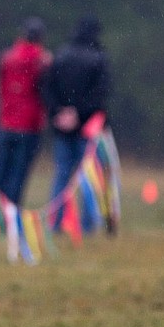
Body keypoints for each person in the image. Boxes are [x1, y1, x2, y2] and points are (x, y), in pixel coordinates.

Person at [43, 16, 110, 225]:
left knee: (62, 174)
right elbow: (101, 94)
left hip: (62, 127)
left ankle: (56, 221)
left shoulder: (60, 56)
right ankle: (89, 223)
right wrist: (79, 114)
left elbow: (46, 88)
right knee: (89, 176)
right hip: (88, 127)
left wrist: (59, 113)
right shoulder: (98, 59)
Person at [0, 17, 51, 206]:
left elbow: (0, 88)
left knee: (2, 170)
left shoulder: (6, 57)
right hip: (29, 123)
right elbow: (44, 90)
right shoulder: (42, 61)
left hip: (6, 121)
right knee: (19, 172)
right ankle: (12, 210)